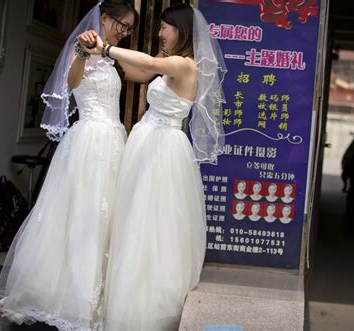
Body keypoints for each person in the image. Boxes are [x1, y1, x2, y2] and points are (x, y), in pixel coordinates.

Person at [0, 1, 138, 330]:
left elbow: (137, 70)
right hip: (89, 141)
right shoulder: (84, 45)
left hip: (114, 139)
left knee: (106, 216)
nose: (122, 31)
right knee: (81, 214)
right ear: (104, 17)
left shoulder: (112, 54)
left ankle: (97, 295)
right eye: (120, 23)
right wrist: (85, 53)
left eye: (128, 28)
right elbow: (73, 81)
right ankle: (70, 296)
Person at [82, 4, 227, 330]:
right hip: (150, 140)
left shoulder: (181, 63)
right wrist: (104, 58)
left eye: (165, 28)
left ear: (181, 31)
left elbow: (146, 63)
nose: (160, 33)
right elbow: (138, 73)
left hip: (162, 146)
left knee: (149, 222)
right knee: (138, 219)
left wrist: (105, 47)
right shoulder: (170, 67)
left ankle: (143, 307)